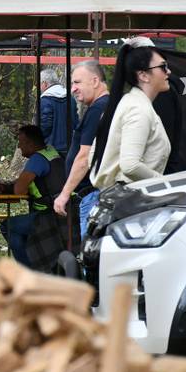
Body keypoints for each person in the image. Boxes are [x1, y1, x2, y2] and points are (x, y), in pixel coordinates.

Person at [90, 38, 172, 192]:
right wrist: (164, 183)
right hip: (131, 201)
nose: (168, 71)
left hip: (120, 198)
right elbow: (130, 165)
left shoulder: (130, 103)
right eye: (163, 67)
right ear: (143, 75)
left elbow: (92, 157)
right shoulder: (138, 109)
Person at [52, 61, 110, 239]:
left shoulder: (98, 109)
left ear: (94, 81)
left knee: (91, 253)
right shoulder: (106, 106)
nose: (72, 89)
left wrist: (64, 194)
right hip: (97, 194)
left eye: (77, 82)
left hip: (93, 195)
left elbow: (84, 157)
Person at [0, 125, 66, 270]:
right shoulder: (52, 151)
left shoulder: (37, 159)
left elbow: (18, 190)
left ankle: (29, 270)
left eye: (21, 143)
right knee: (18, 229)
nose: (20, 148)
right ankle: (37, 262)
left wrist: (12, 185)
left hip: (48, 217)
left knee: (7, 226)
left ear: (30, 143)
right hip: (66, 211)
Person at [39, 68, 78, 159]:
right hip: (70, 147)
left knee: (53, 172)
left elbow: (45, 127)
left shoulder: (45, 101)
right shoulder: (70, 99)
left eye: (40, 84)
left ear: (44, 83)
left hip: (50, 150)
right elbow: (75, 123)